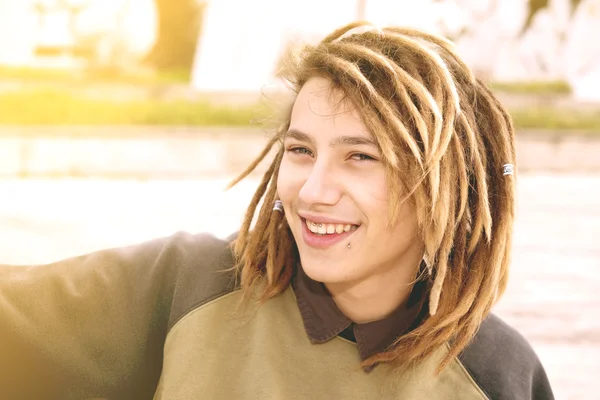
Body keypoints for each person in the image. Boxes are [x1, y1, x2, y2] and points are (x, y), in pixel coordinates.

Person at [0, 22, 554, 399]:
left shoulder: (497, 373)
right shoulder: (184, 288)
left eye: (360, 157)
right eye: (300, 150)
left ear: (445, 184)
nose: (313, 190)